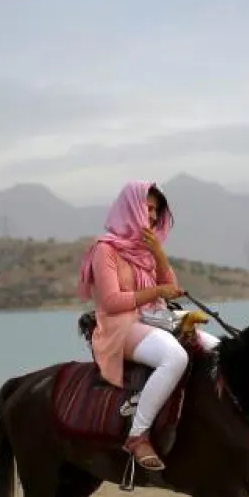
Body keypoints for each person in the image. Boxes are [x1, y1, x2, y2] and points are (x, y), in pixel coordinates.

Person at [77, 180, 219, 472]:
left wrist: (159, 255)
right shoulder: (105, 250)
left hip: (155, 321)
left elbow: (172, 289)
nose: (153, 217)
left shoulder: (147, 251)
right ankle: (137, 435)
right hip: (120, 327)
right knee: (174, 357)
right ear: (130, 208)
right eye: (149, 208)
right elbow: (112, 301)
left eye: (157, 211)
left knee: (218, 348)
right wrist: (156, 293)